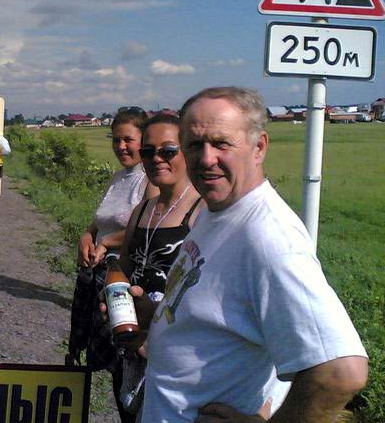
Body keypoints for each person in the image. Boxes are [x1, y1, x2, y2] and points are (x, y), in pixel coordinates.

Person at [132, 87, 367, 422]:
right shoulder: (219, 211)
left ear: (259, 147)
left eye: (221, 143)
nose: (206, 158)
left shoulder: (269, 238)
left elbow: (340, 372)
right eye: (195, 144)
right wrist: (159, 316)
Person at [67, 107, 157, 423]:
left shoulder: (150, 179)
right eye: (116, 140)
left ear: (144, 140)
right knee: (111, 367)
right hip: (98, 277)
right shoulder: (118, 177)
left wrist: (105, 243)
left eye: (128, 140)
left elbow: (146, 228)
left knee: (126, 364)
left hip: (124, 278)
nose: (121, 147)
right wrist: (87, 236)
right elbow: (98, 222)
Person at [115, 113, 202, 417]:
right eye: (148, 151)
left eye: (168, 151)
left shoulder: (201, 211)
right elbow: (124, 269)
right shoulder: (142, 210)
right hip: (133, 346)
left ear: (187, 151)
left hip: (177, 353)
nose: (157, 159)